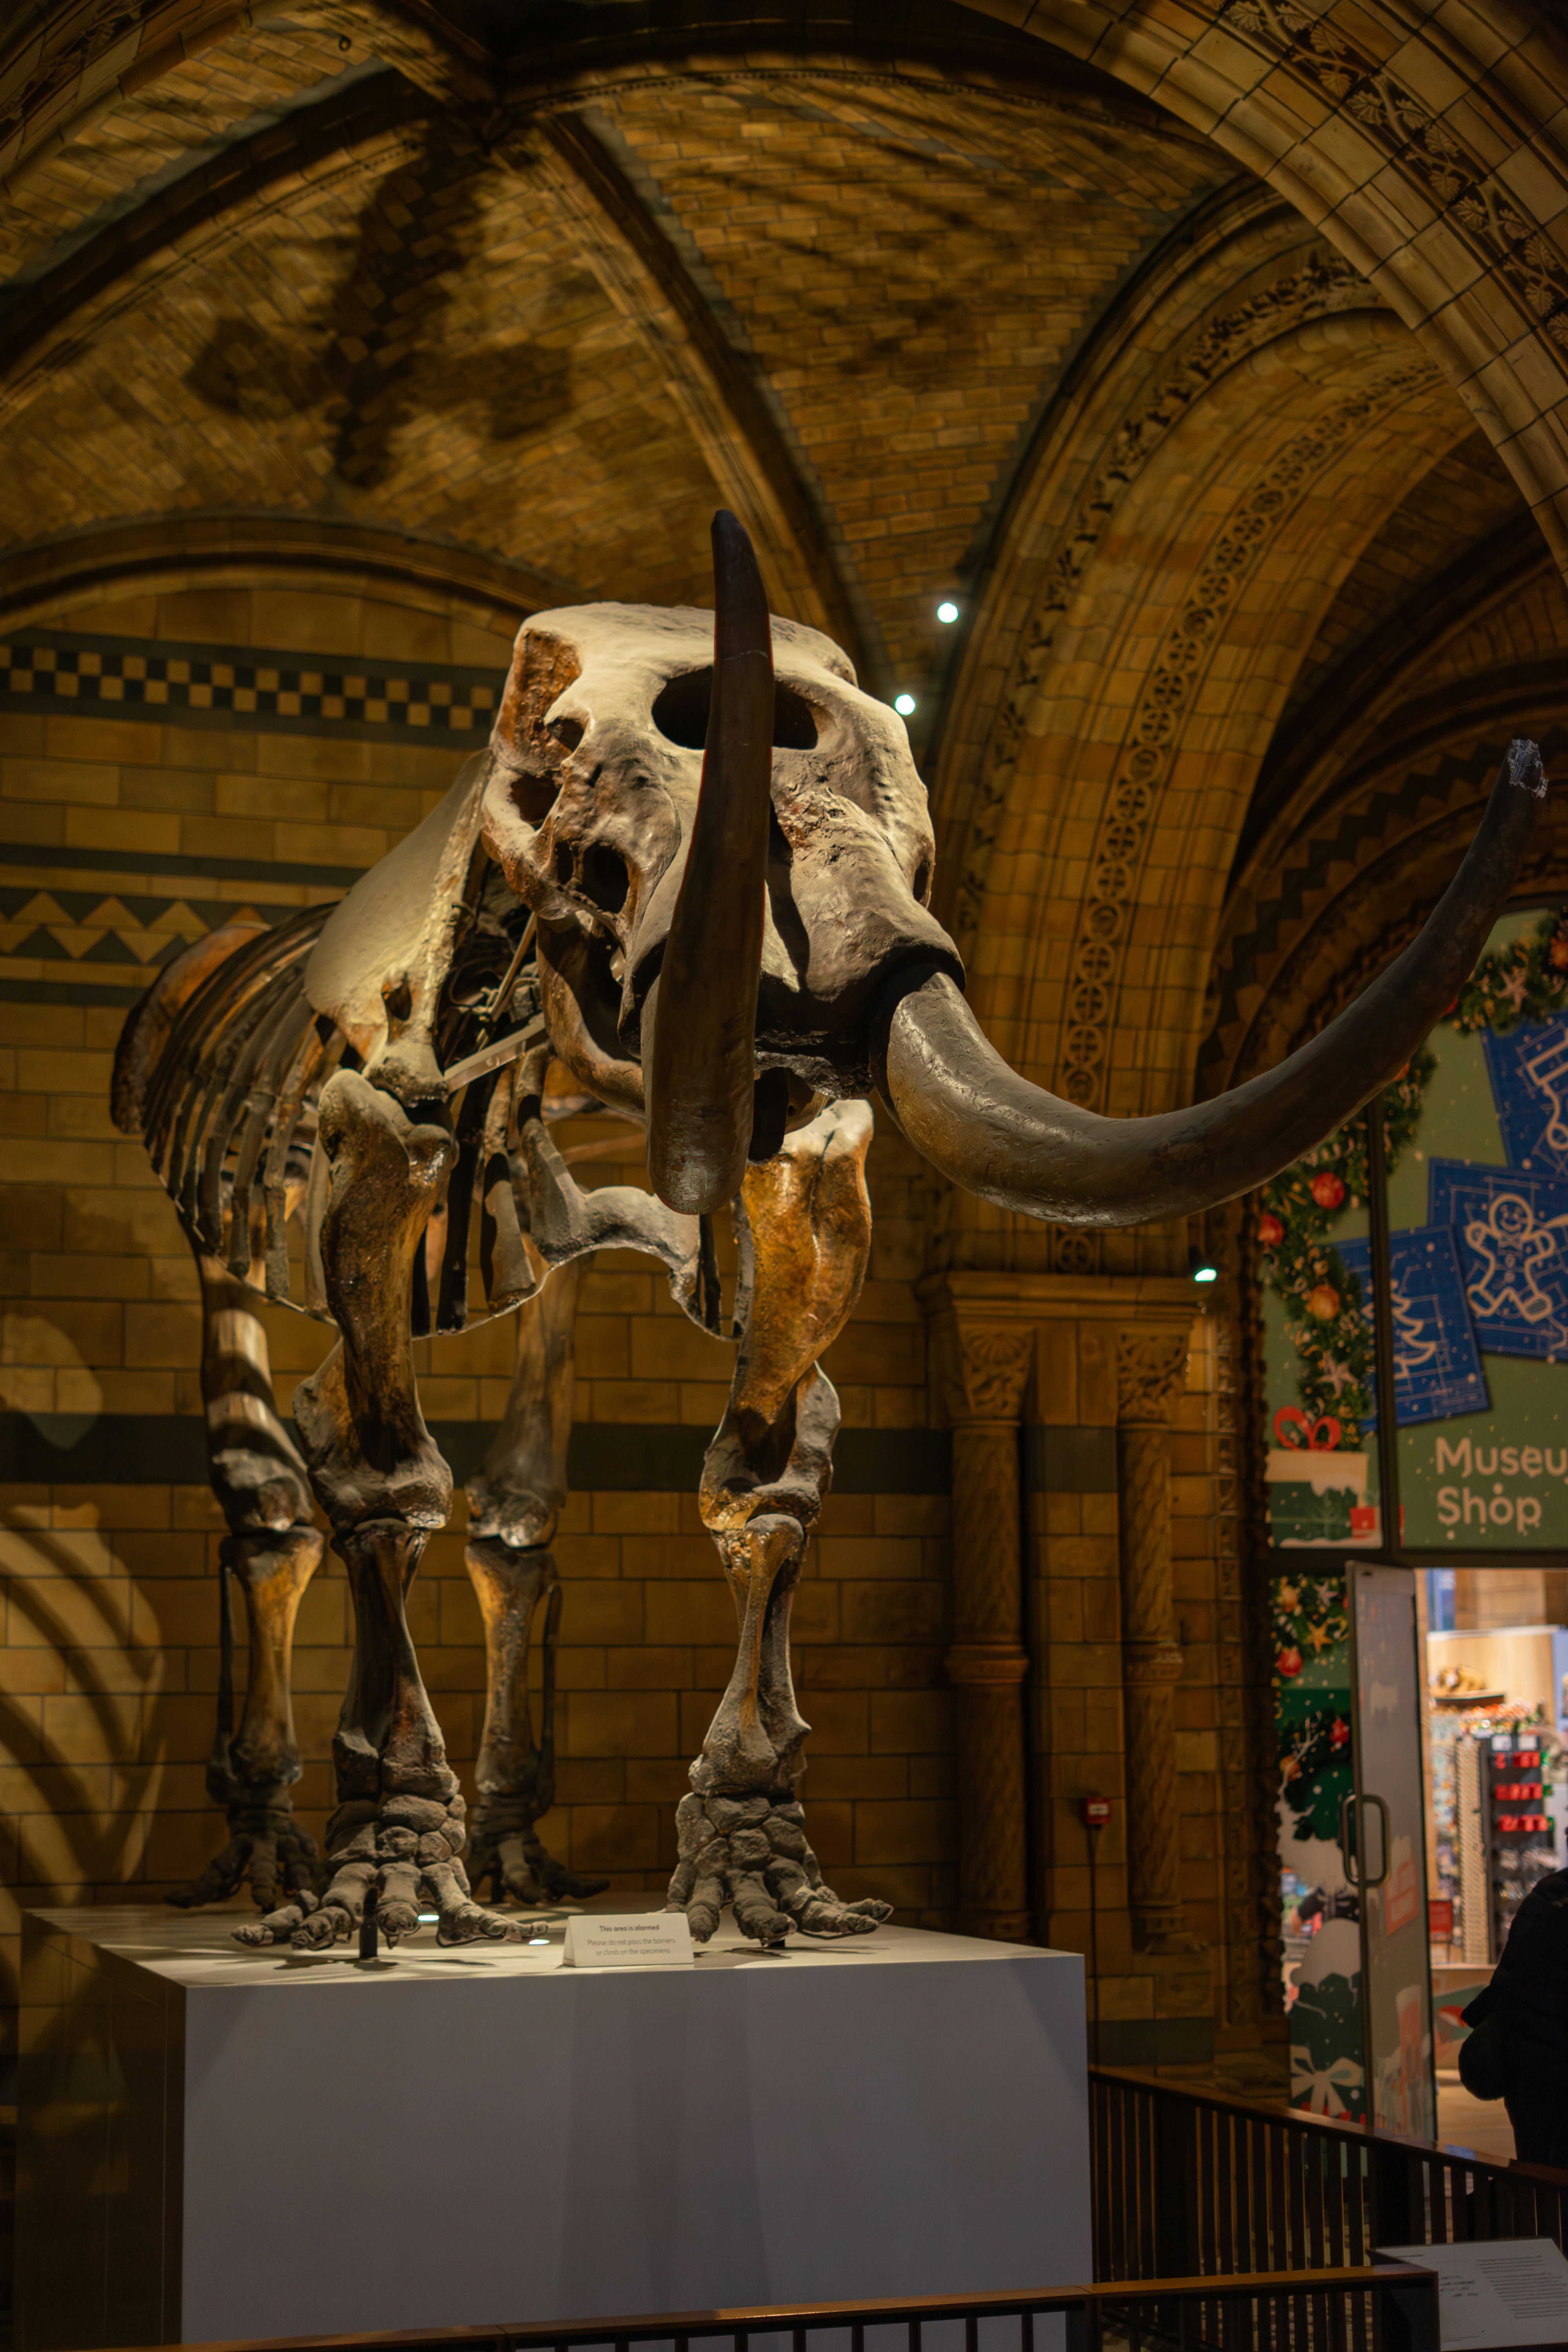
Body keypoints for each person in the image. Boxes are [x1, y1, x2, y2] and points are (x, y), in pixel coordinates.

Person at [1459, 1865, 1568, 2170]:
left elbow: (1508, 1976)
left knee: (1536, 2171)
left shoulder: (1545, 1894)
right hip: (1551, 2060)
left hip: (1527, 2067)